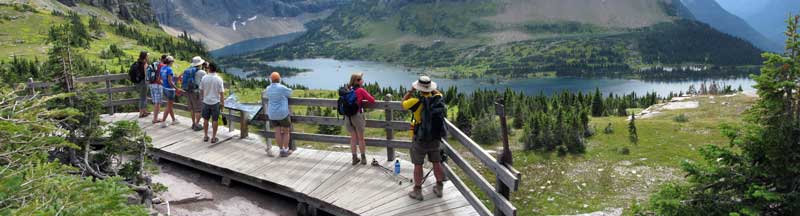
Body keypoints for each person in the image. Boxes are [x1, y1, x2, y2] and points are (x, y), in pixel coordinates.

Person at [402, 76, 445, 201]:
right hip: (434, 138)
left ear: (418, 88)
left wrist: (410, 91)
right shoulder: (438, 99)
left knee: (418, 165)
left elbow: (403, 103)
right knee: (436, 162)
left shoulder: (414, 101)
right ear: (431, 88)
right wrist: (432, 90)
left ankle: (418, 191)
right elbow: (438, 93)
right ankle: (439, 187)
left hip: (420, 138)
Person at [344, 72, 375, 165]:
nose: (363, 80)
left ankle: (354, 158)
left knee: (353, 138)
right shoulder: (360, 90)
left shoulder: (347, 89)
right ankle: (363, 159)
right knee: (361, 139)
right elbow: (372, 100)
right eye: (361, 79)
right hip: (357, 116)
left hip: (348, 117)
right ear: (358, 81)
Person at [266, 72, 293, 157]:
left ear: (271, 80)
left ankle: (281, 150)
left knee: (277, 131)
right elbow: (290, 93)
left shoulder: (268, 88)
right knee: (286, 131)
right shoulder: (281, 88)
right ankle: (285, 150)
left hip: (272, 114)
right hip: (282, 113)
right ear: (279, 79)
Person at [200, 62, 225, 143]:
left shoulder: (204, 78)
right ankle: (213, 137)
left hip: (206, 101)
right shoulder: (219, 79)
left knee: (205, 120)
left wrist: (202, 99)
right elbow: (221, 93)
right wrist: (222, 103)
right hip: (215, 102)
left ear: (209, 68)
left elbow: (201, 89)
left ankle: (206, 136)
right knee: (215, 120)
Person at [160, 56, 184, 127]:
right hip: (170, 90)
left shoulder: (162, 68)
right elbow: (170, 82)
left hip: (164, 88)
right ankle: (163, 121)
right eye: (173, 61)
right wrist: (177, 88)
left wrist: (175, 78)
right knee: (169, 106)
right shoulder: (169, 69)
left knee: (169, 105)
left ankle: (174, 120)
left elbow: (161, 78)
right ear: (170, 62)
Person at [183, 56, 206, 131]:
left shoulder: (189, 71)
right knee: (198, 109)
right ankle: (197, 124)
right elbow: (206, 80)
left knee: (192, 109)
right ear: (200, 64)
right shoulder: (202, 72)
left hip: (189, 91)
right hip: (197, 92)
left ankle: (193, 123)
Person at [133, 51, 150, 118]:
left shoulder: (138, 62)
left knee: (143, 96)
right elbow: (146, 74)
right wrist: (148, 81)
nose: (148, 57)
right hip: (144, 82)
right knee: (143, 97)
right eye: (147, 56)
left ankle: (144, 111)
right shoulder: (144, 63)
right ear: (145, 56)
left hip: (138, 82)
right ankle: (141, 113)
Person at [149, 55, 166, 124]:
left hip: (151, 84)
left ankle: (156, 117)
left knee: (156, 102)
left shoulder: (155, 64)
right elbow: (163, 77)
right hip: (158, 85)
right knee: (157, 102)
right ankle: (155, 119)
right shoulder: (162, 65)